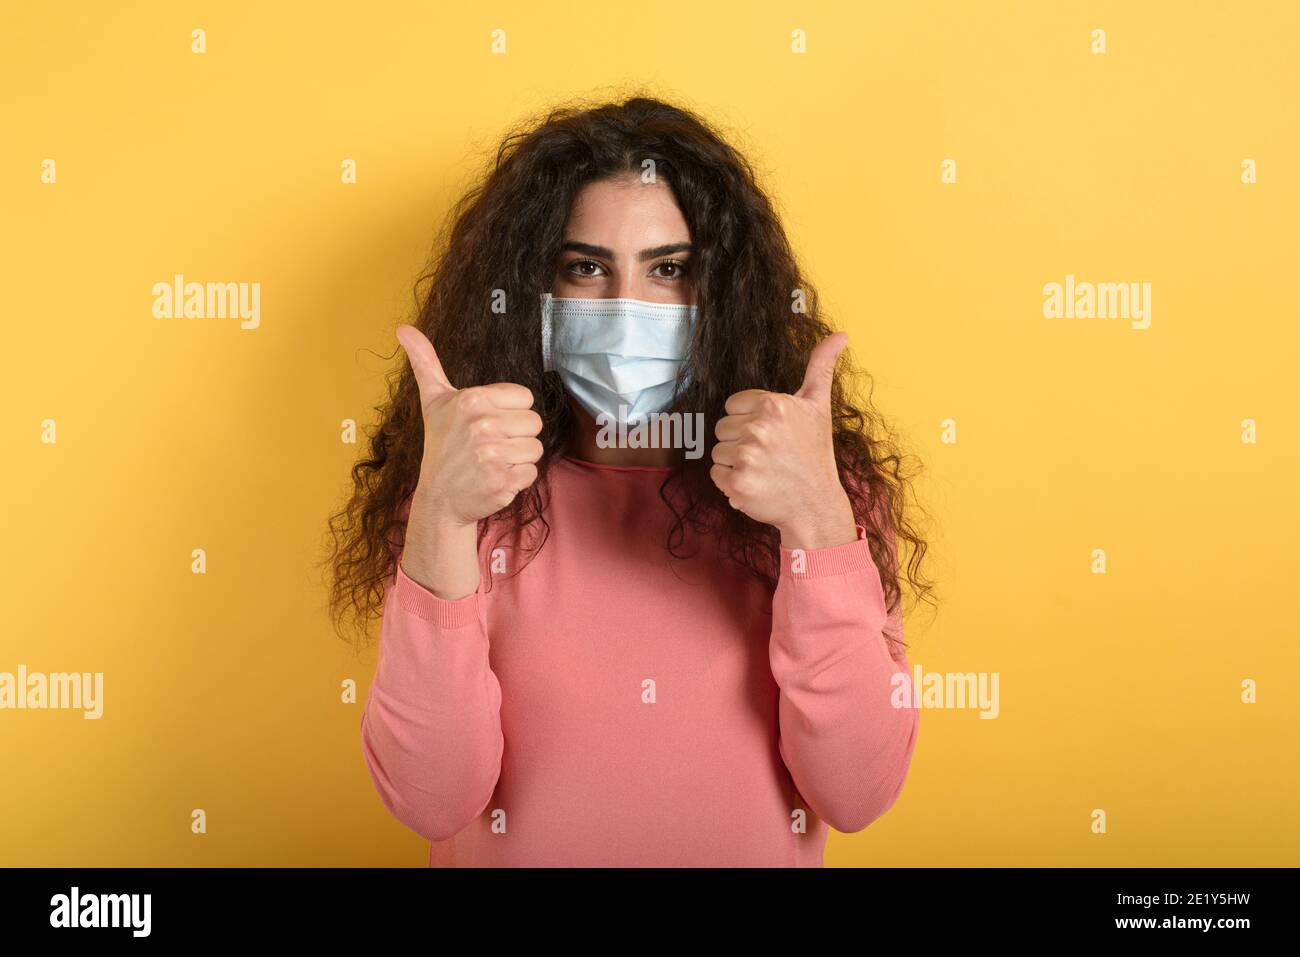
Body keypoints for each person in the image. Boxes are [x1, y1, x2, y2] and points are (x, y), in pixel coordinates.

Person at [326, 95, 932, 867]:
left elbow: (858, 792)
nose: (626, 308)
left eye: (669, 269)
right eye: (585, 268)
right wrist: (440, 516)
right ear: (532, 288)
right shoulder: (463, 488)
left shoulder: (821, 488)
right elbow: (430, 798)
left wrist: (819, 524)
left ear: (725, 292)